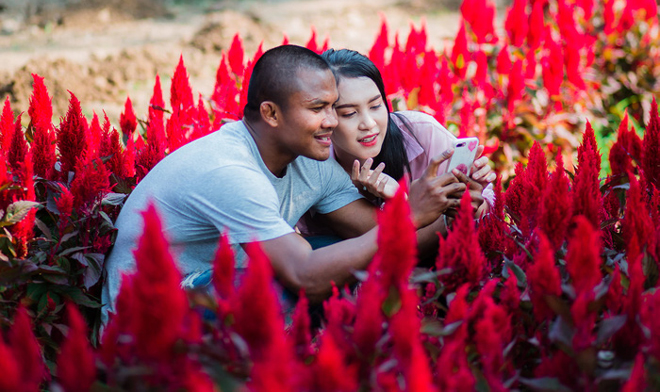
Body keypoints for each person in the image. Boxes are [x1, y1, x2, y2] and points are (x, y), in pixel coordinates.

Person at [101, 44, 467, 325]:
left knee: (344, 251)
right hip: (148, 320)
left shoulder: (312, 161)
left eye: (333, 108)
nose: (331, 122)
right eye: (319, 108)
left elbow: (380, 235)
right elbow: (304, 277)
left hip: (217, 290)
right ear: (271, 114)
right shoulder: (231, 170)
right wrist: (409, 216)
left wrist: (449, 204)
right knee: (287, 285)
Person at [300, 48, 495, 239]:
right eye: (349, 113)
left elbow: (486, 211)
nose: (369, 124)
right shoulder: (313, 165)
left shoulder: (421, 132)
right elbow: (384, 247)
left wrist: (474, 200)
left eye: (376, 106)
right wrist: (414, 206)